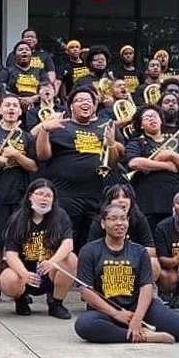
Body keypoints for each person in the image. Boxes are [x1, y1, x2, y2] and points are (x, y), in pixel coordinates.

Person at [75, 204, 179, 344]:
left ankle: (131, 330)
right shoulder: (89, 251)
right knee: (84, 325)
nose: (119, 223)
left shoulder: (139, 251)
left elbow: (146, 287)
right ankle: (144, 336)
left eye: (123, 219)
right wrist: (116, 314)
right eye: (113, 219)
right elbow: (85, 291)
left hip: (139, 307)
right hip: (106, 311)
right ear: (103, 223)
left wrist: (137, 318)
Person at [37, 87, 120, 251]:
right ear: (71, 107)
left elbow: (112, 162)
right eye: (80, 100)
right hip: (66, 195)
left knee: (92, 242)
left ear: (95, 107)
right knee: (65, 241)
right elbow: (42, 156)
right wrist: (45, 130)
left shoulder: (103, 127)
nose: (85, 103)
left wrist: (111, 143)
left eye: (89, 101)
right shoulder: (61, 126)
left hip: (95, 195)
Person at [0, 94, 38, 304]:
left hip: (21, 196)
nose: (12, 109)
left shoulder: (27, 137)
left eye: (15, 106)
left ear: (20, 111)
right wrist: (2, 158)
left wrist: (15, 155)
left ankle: (21, 290)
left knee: (20, 242)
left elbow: (33, 166)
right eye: (7, 105)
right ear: (0, 110)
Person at [0, 179, 77, 319]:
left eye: (48, 195)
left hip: (48, 270)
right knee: (8, 278)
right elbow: (10, 253)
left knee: (71, 259)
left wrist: (52, 261)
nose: (44, 199)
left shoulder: (60, 216)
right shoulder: (17, 219)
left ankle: (56, 303)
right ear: (30, 196)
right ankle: (21, 299)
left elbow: (68, 244)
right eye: (40, 194)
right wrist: (24, 273)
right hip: (24, 272)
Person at [125, 104, 179, 231]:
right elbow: (134, 163)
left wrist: (172, 155)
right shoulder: (137, 142)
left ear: (161, 120)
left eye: (154, 116)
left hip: (173, 203)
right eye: (147, 118)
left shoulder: (177, 143)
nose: (152, 119)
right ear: (141, 125)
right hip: (149, 204)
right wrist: (166, 166)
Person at [87, 184, 160, 280]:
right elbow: (90, 251)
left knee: (153, 263)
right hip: (106, 264)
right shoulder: (99, 221)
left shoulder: (139, 218)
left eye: (126, 197)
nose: (121, 200)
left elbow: (151, 250)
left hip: (132, 263)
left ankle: (141, 293)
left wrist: (127, 255)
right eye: (116, 197)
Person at [0, 41, 44, 111]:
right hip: (13, 108)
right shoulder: (6, 71)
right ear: (15, 55)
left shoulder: (40, 71)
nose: (24, 51)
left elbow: (48, 89)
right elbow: (0, 89)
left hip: (37, 109)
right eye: (20, 50)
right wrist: (18, 100)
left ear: (31, 55)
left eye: (27, 50)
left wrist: (32, 99)